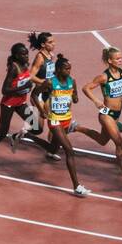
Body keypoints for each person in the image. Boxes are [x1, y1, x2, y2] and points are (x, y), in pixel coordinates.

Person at [33, 53, 90, 197]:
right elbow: (34, 94)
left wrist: (74, 96)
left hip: (67, 120)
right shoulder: (50, 82)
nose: (68, 71)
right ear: (58, 70)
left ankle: (26, 135)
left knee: (52, 148)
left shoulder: (72, 81)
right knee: (69, 151)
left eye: (70, 69)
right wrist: (41, 111)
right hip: (54, 120)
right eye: (66, 69)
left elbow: (75, 98)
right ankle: (77, 186)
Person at [76, 46, 122, 181]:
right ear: (110, 60)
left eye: (121, 58)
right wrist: (96, 100)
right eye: (117, 58)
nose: (120, 60)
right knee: (120, 143)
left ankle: (77, 128)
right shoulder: (104, 77)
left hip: (117, 113)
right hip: (106, 113)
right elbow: (86, 88)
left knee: (102, 140)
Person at [0, 42, 38, 171]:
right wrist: (24, 87)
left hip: (21, 102)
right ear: (16, 56)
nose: (26, 56)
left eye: (27, 54)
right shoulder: (13, 67)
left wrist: (28, 86)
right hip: (8, 104)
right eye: (23, 54)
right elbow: (5, 90)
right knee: (2, 132)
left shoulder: (25, 65)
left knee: (36, 126)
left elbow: (25, 81)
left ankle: (16, 137)